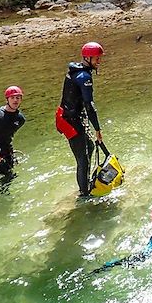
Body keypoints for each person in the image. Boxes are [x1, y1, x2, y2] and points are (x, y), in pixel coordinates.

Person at [56, 42, 105, 196]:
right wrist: (97, 129)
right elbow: (89, 106)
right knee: (82, 159)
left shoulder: (77, 71)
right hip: (70, 121)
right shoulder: (84, 77)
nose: (99, 62)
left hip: (71, 116)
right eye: (97, 59)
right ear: (87, 58)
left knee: (89, 147)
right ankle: (84, 194)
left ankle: (85, 183)